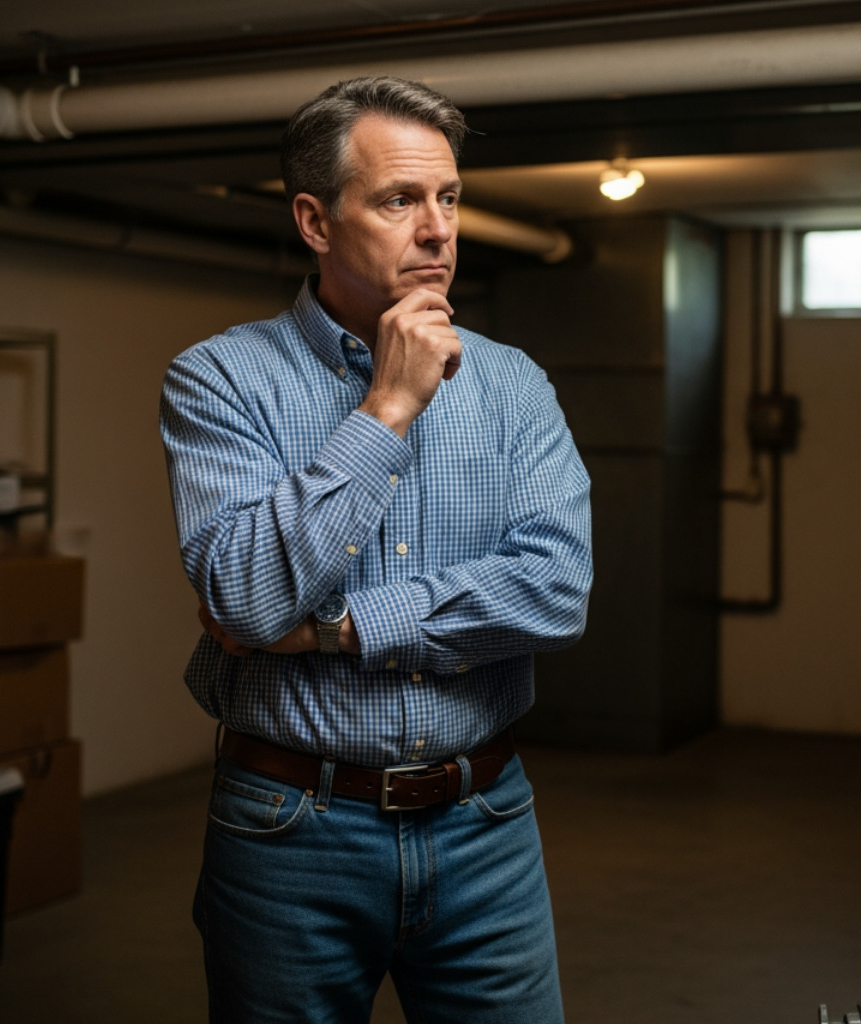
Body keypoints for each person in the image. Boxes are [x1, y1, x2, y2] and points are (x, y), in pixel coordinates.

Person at [159, 75, 592, 1024]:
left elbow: (557, 591)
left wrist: (334, 630)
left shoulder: (512, 384)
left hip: (487, 824)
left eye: (449, 198)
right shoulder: (220, 380)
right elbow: (245, 600)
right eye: (400, 200)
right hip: (287, 832)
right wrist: (386, 409)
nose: (437, 229)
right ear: (315, 221)